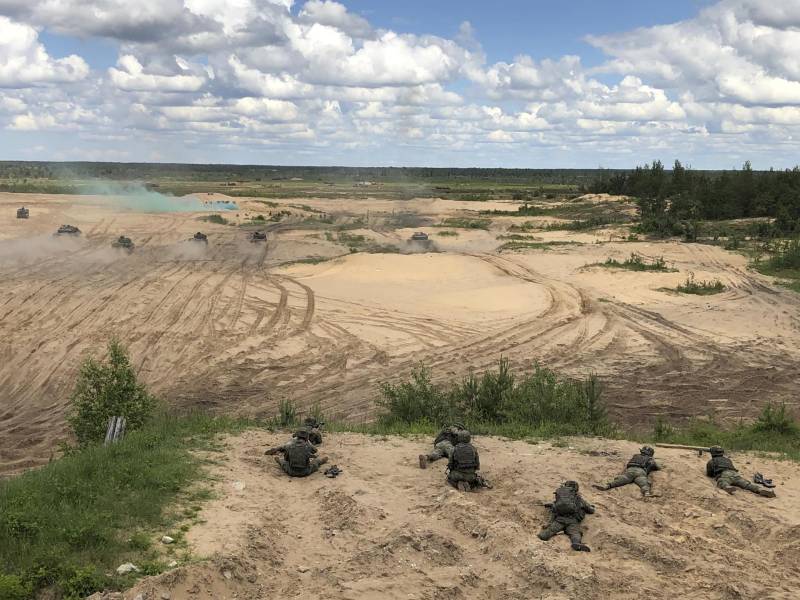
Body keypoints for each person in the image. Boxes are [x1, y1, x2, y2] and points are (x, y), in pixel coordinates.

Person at [538, 481, 595, 552]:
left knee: (550, 531)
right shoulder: (578, 498)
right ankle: (576, 543)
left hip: (559, 519)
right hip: (572, 521)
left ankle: (542, 536)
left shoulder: (561, 497)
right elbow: (591, 510)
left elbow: (555, 506)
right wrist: (592, 507)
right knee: (575, 534)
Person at [706, 446, 776, 497]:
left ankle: (726, 487)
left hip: (724, 474)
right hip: (735, 474)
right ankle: (760, 489)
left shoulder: (712, 461)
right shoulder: (728, 460)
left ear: (712, 453)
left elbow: (710, 473)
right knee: (747, 484)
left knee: (722, 481)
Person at [593, 446, 661, 497]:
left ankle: (607, 486)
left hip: (630, 470)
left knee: (621, 480)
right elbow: (657, 467)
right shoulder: (650, 459)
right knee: (644, 483)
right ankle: (646, 493)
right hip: (640, 472)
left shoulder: (635, 456)